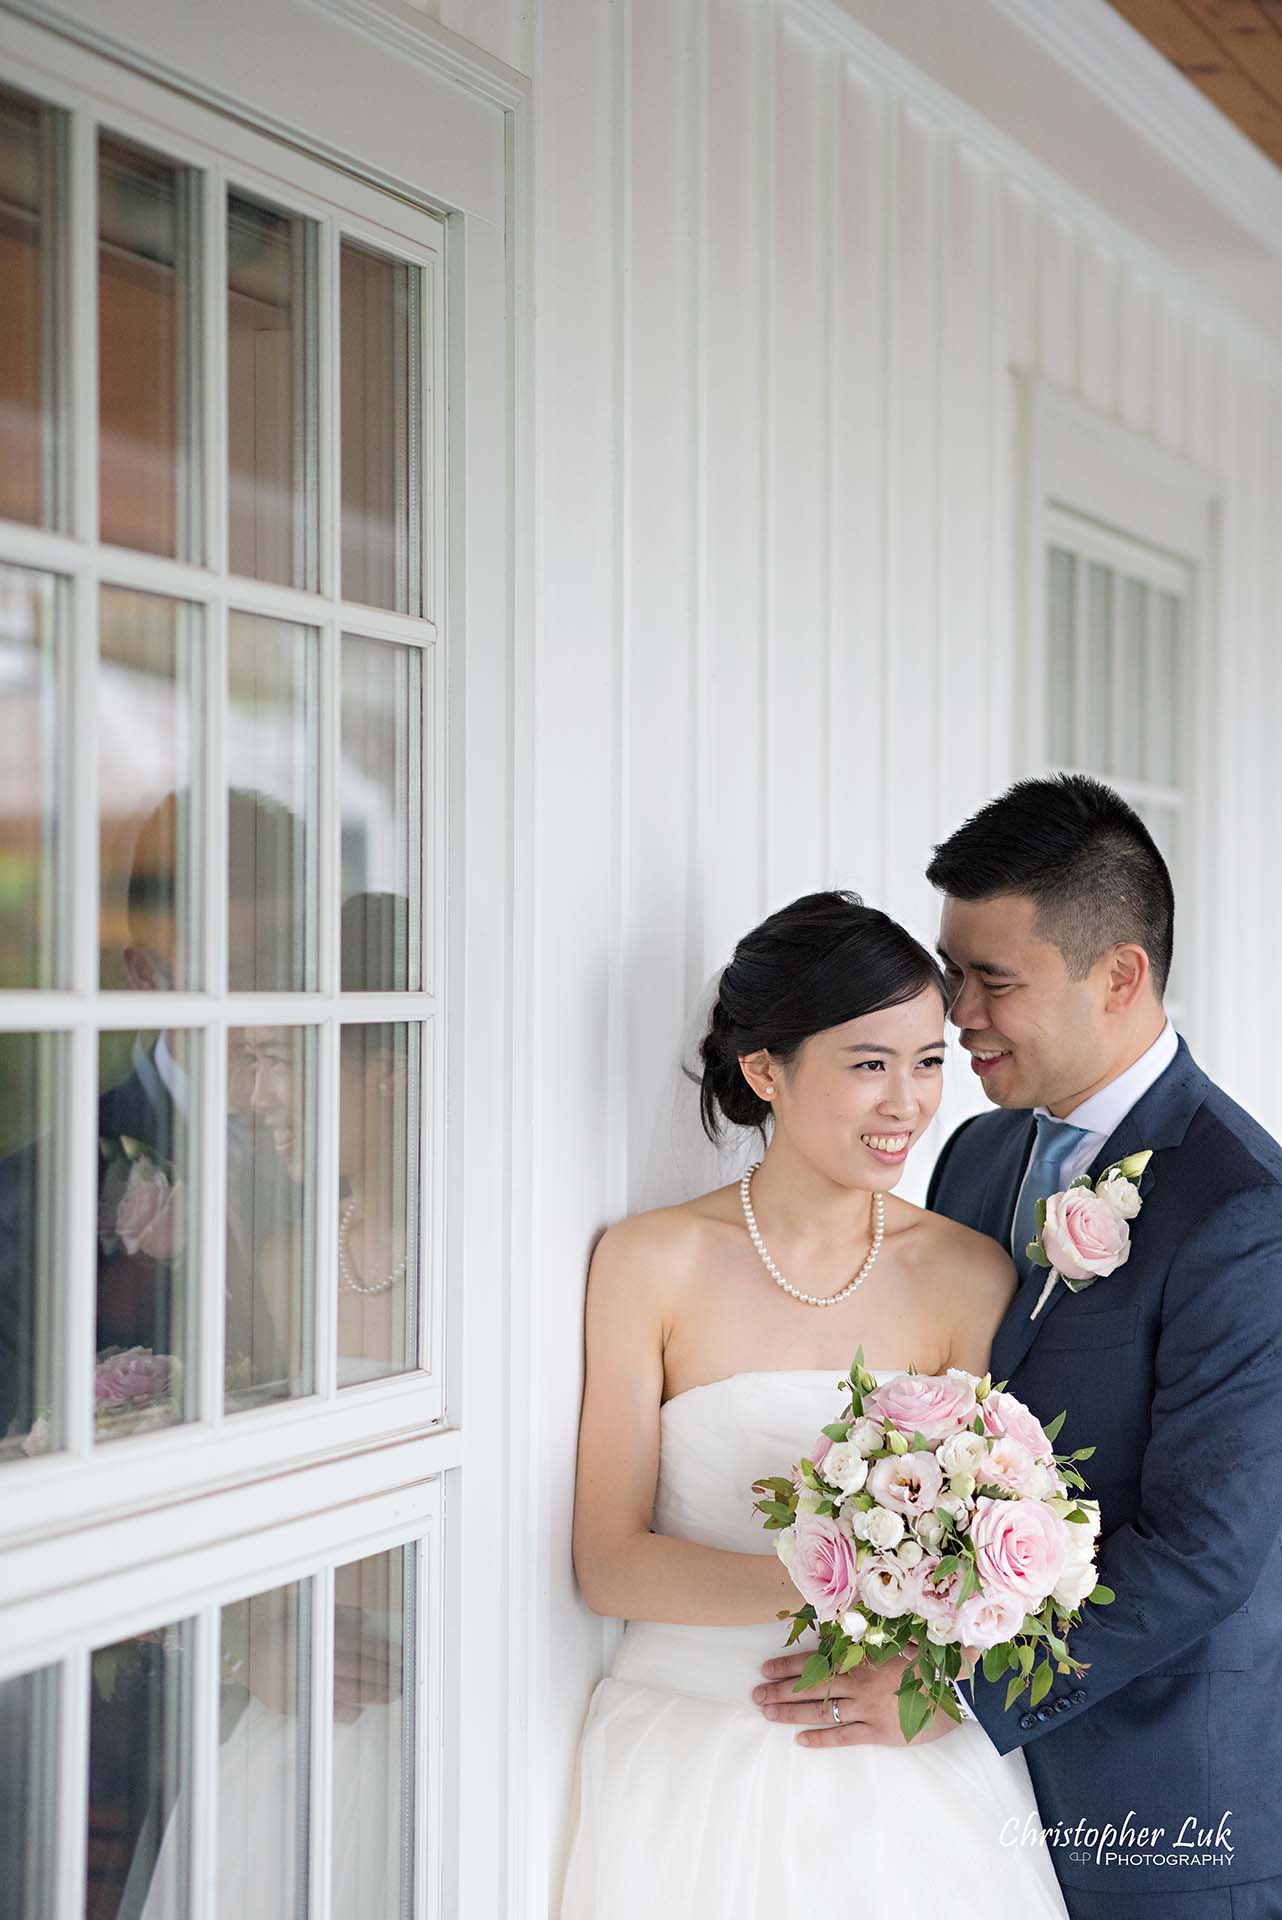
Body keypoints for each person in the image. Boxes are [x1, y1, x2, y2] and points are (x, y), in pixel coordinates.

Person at [758, 777, 1282, 1918]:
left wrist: (957, 1682)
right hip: (959, 1808)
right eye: (952, 972)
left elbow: (1204, 1548)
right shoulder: (975, 1158)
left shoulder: (1241, 1208)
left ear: (1120, 975)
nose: (955, 1013)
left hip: (1160, 1802)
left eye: (993, 979)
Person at [559, 890, 1069, 1917]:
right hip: (687, 1747)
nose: (908, 1104)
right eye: (867, 1064)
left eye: (927, 1062)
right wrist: (835, 1575)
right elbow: (608, 1562)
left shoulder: (967, 1275)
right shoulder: (650, 1262)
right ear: (764, 1071)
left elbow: (992, 1561)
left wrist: (929, 1663)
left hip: (895, 1762)